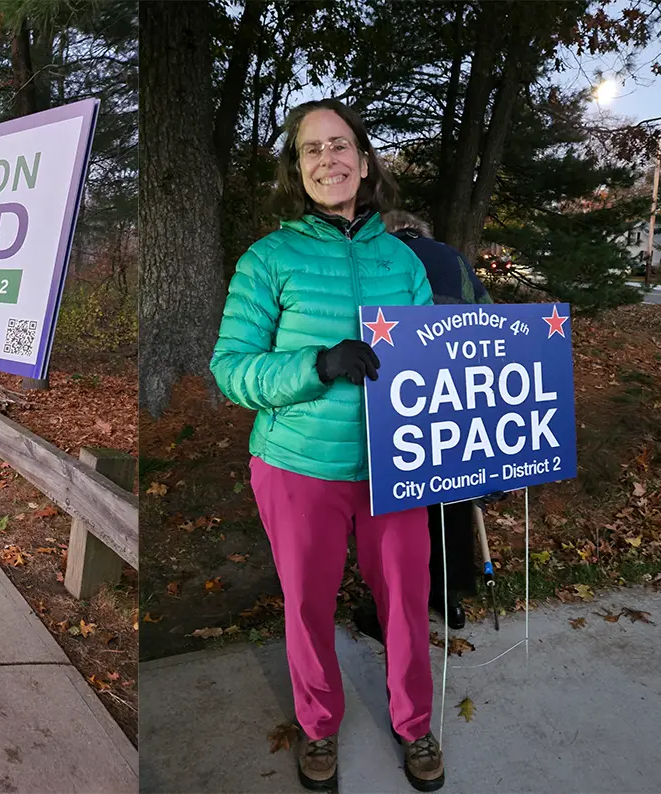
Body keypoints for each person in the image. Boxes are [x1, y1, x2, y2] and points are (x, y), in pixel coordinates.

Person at [210, 99, 443, 792]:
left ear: (364, 162)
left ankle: (415, 723)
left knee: (406, 599)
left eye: (340, 146)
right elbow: (230, 370)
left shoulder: (404, 262)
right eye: (312, 150)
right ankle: (318, 726)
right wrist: (315, 366)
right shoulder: (268, 259)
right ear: (298, 170)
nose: (328, 159)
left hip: (392, 465)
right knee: (307, 603)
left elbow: (440, 368)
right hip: (298, 466)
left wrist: (465, 449)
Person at [384, 210, 491, 630]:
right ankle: (449, 595)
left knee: (404, 502)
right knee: (452, 495)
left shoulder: (383, 255)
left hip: (401, 391)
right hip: (456, 388)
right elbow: (487, 314)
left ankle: (398, 598)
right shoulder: (452, 258)